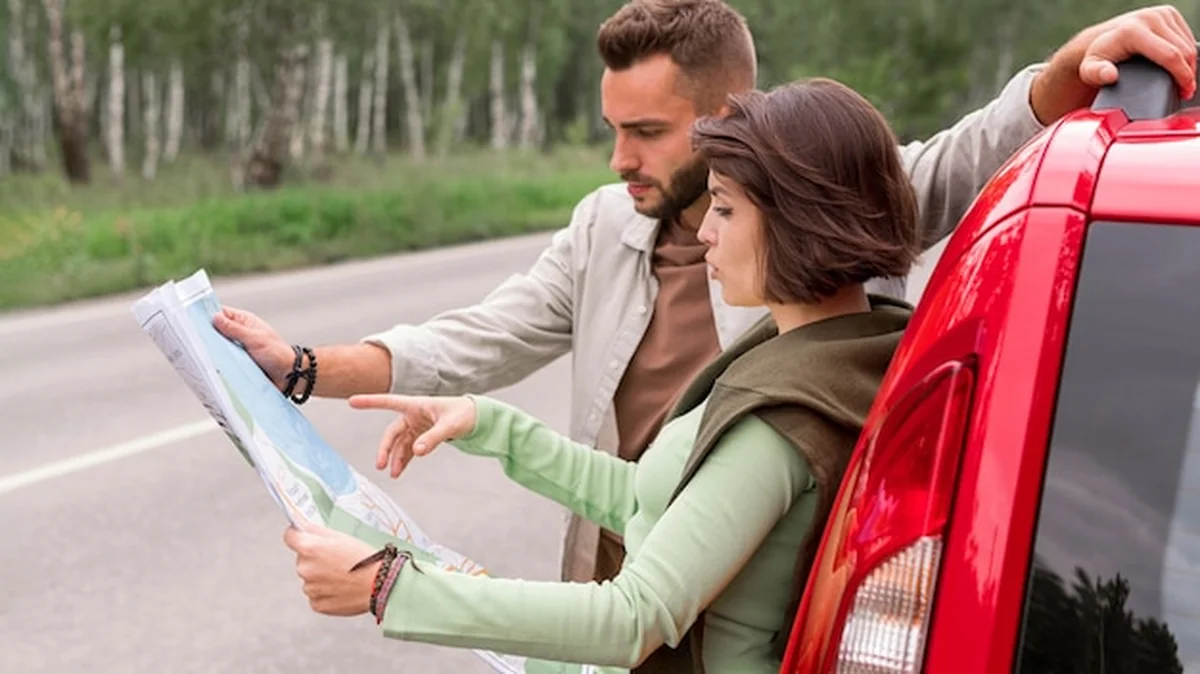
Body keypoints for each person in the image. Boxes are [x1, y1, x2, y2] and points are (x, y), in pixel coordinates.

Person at [219, 1, 1198, 585]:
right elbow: (481, 336)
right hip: (613, 572)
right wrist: (305, 367)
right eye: (612, 128)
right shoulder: (605, 225)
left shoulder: (823, 205)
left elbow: (961, 156)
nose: (618, 158)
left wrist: (1064, 74)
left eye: (645, 130)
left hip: (760, 599)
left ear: (728, 117)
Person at [284, 75, 923, 673]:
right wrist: (488, 424)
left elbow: (634, 615)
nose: (703, 230)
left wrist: (388, 586)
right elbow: (652, 500)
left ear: (799, 220)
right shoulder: (839, 345)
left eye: (725, 209)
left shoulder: (786, 414)